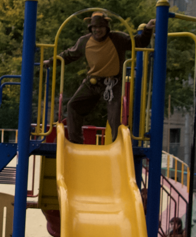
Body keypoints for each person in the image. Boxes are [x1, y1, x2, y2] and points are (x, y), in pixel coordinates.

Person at [54, 12, 154, 143]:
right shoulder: (84, 41)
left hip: (113, 83)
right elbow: (68, 55)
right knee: (73, 106)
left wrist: (148, 29)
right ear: (90, 28)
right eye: (94, 27)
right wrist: (51, 61)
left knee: (115, 115)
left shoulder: (117, 39)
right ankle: (75, 142)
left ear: (107, 28)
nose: (97, 30)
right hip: (92, 82)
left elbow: (140, 42)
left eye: (100, 27)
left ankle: (117, 144)